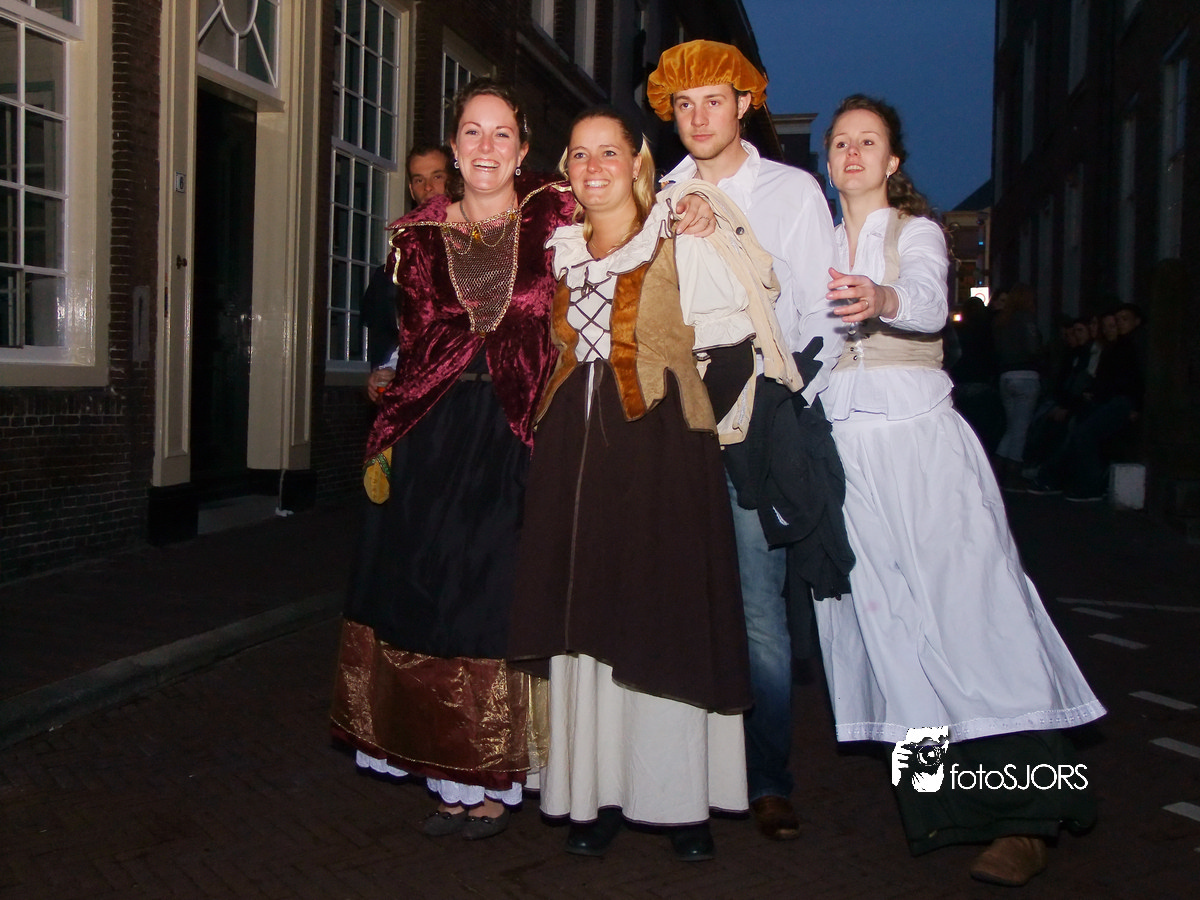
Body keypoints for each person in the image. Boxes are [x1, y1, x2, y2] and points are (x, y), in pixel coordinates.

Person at [814, 94, 1105, 886]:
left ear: (892, 160)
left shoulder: (918, 234)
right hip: (846, 456)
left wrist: (880, 299)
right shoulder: (813, 243)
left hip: (922, 447)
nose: (852, 152)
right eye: (840, 142)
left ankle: (1031, 817)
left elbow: (920, 298)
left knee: (973, 615)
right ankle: (948, 810)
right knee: (893, 630)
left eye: (867, 141)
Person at [509, 107, 786, 862]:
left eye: (610, 151)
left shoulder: (680, 233)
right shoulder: (560, 250)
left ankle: (679, 802)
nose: (593, 166)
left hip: (659, 455)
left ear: (638, 161)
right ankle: (595, 794)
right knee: (585, 622)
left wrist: (685, 423)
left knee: (663, 613)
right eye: (579, 154)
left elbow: (735, 337)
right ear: (566, 171)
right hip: (572, 462)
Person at [328, 78, 577, 841]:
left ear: (524, 149)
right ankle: (447, 778)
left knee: (491, 605)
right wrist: (388, 379)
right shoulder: (416, 238)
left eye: (502, 133)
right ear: (455, 146)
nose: (486, 147)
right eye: (472, 131)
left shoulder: (557, 216)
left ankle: (491, 777)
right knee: (426, 601)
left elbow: (629, 239)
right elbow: (409, 336)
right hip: (431, 433)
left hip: (514, 433)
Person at [646, 39, 845, 843]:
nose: (699, 117)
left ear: (744, 103)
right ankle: (686, 774)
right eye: (684, 104)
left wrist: (792, 406)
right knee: (678, 602)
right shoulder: (657, 194)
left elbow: (819, 313)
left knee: (760, 607)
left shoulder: (792, 191)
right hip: (676, 422)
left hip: (758, 417)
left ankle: (767, 778)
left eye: (714, 101)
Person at [364, 144, 454, 396]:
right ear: (411, 189)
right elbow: (390, 334)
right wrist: (387, 369)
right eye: (419, 180)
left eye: (437, 177)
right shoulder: (393, 270)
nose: (428, 188)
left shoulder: (480, 247)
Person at [991, 283, 1043, 489]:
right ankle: (1013, 472)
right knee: (1020, 428)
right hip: (1026, 375)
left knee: (1012, 427)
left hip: (1006, 375)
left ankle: (997, 469)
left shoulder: (1001, 321)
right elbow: (1033, 348)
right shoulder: (1026, 319)